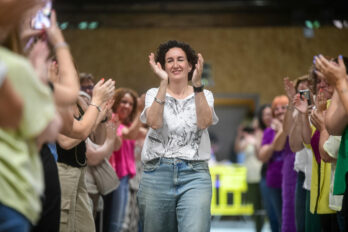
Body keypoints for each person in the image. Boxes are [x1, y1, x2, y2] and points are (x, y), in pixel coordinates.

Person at [137, 40, 218, 232]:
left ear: (190, 65)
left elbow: (204, 122)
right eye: (170, 60)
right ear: (163, 66)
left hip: (195, 174)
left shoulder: (206, 94)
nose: (175, 64)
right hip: (157, 172)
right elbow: (155, 123)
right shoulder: (153, 93)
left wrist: (197, 85)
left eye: (180, 59)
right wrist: (163, 83)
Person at [103, 87, 143, 232]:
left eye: (131, 104)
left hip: (125, 176)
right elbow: (131, 134)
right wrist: (140, 110)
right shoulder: (112, 120)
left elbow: (146, 133)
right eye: (124, 102)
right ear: (116, 102)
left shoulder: (126, 124)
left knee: (120, 221)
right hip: (115, 174)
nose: (127, 106)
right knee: (115, 222)